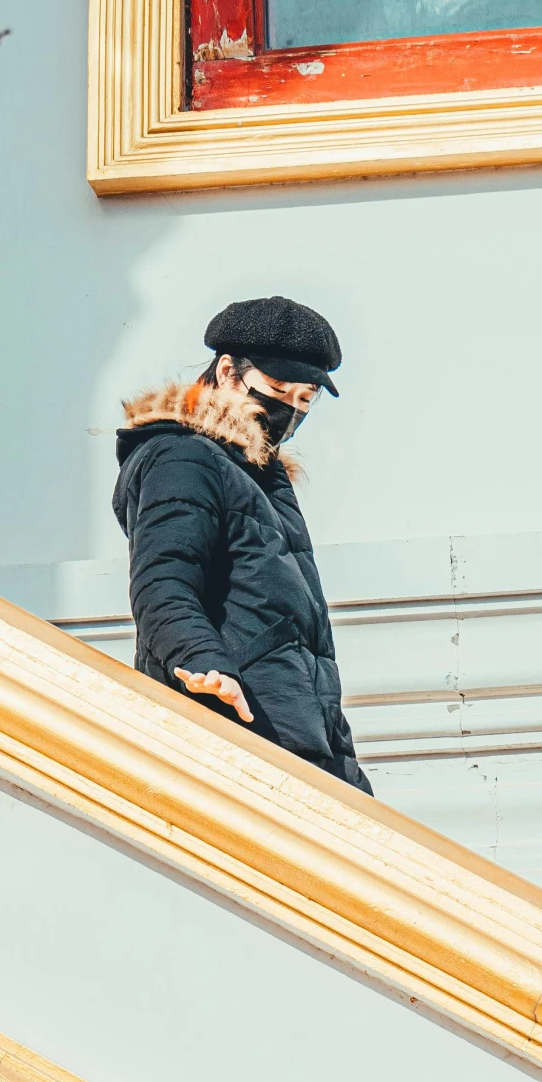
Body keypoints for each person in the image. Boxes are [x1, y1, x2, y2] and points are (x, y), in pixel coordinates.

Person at [112, 295, 371, 794]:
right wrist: (202, 659)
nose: (288, 413)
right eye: (276, 390)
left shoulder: (261, 481)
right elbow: (163, 583)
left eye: (305, 400)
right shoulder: (182, 459)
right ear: (228, 372)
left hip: (296, 745)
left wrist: (345, 772)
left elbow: (300, 644)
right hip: (239, 736)